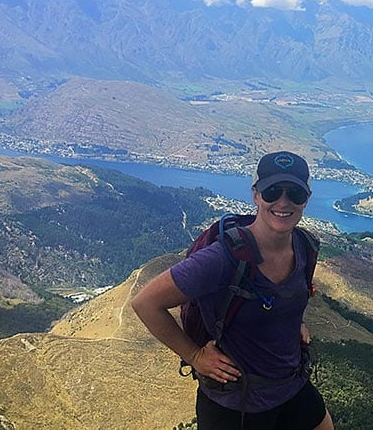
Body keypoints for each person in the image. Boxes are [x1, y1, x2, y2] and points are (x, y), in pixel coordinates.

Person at [131, 151, 334, 430]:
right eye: (272, 191)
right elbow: (145, 303)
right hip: (236, 404)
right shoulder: (224, 257)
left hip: (291, 385)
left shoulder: (304, 246)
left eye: (295, 194)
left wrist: (292, 322)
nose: (283, 202)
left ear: (306, 199)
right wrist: (195, 357)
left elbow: (285, 297)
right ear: (256, 195)